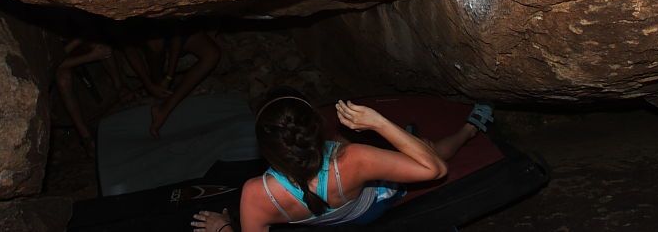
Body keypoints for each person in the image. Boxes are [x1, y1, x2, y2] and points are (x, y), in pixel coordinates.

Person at [191, 89, 494, 232]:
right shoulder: (353, 159)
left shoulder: (256, 194)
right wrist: (378, 122)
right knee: (427, 148)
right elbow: (435, 169)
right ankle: (469, 130)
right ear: (316, 125)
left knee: (350, 148)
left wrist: (222, 229)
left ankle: (404, 137)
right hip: (371, 207)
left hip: (337, 221)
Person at [122, 30, 221, 138]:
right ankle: (157, 87)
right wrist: (149, 85)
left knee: (212, 54)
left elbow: (177, 35)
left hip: (177, 33)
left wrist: (169, 77)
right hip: (149, 38)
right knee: (156, 42)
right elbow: (129, 49)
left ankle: (165, 108)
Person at [55, 38, 134, 156]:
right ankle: (85, 135)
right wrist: (89, 55)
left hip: (74, 46)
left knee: (102, 43)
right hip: (60, 58)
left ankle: (119, 86)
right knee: (63, 78)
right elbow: (54, 62)